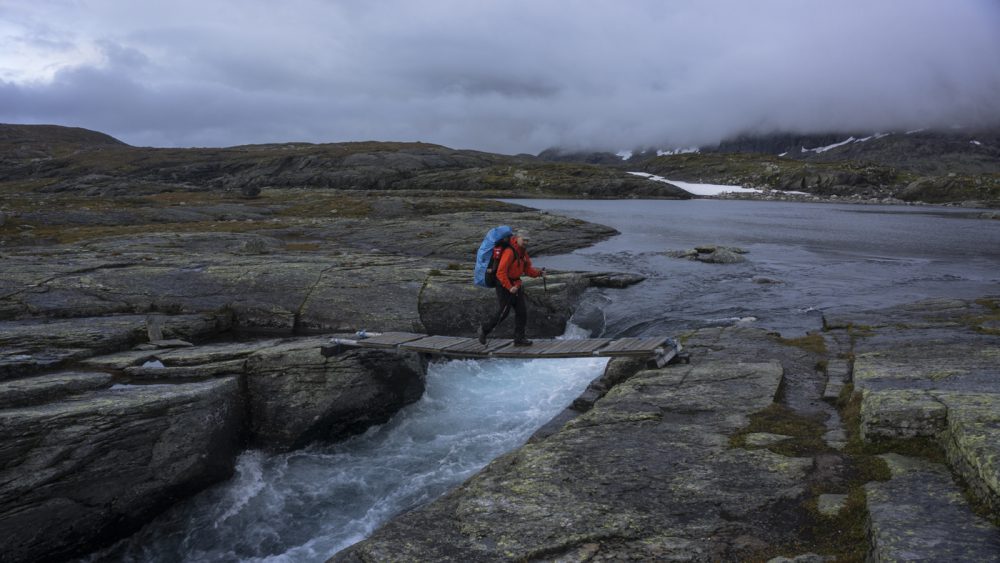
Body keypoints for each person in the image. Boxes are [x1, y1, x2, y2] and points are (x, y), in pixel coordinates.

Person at [478, 231, 544, 346]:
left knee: (522, 312)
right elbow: (500, 272)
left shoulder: (523, 253)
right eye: (524, 240)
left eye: (528, 240)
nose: (526, 242)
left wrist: (539, 273)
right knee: (504, 312)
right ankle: (484, 330)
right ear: (517, 238)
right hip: (504, 285)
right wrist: (509, 287)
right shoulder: (509, 252)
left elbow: (527, 270)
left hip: (516, 285)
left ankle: (519, 339)